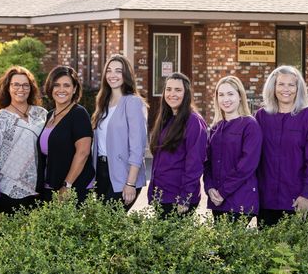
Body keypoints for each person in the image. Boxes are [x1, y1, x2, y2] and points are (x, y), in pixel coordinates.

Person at [254, 66, 308, 228]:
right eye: (281, 84)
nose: (286, 89)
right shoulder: (261, 117)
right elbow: (253, 157)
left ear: (298, 88)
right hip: (267, 200)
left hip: (298, 199)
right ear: (273, 87)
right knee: (267, 251)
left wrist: (307, 194)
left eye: (291, 85)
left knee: (299, 252)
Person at [92, 54, 149, 210]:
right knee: (105, 226)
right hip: (102, 172)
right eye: (109, 71)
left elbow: (137, 148)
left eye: (118, 71)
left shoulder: (133, 102)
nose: (112, 75)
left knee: (110, 222)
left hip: (124, 175)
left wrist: (130, 183)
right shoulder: (103, 101)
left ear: (127, 74)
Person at [147, 72, 208, 217]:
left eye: (178, 90)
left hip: (178, 198)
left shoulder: (193, 121)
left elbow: (195, 163)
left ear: (186, 93)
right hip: (162, 195)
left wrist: (185, 197)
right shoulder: (166, 118)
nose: (172, 94)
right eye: (168, 89)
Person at [204, 75, 261, 222]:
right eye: (221, 95)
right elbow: (208, 163)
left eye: (230, 94)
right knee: (220, 244)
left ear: (240, 96)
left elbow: (247, 165)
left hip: (240, 200)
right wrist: (209, 188)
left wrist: (223, 192)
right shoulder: (216, 127)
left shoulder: (250, 125)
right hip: (217, 200)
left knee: (231, 244)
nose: (225, 99)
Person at [0, 66, 47, 214]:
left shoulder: (41, 113)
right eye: (15, 84)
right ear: (8, 88)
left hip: (39, 187)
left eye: (25, 85)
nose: (20, 89)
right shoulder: (1, 118)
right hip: (9, 188)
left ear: (31, 88)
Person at [37, 66, 94, 203]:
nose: (61, 90)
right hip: (50, 186)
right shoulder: (50, 115)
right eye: (56, 85)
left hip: (72, 188)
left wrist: (67, 185)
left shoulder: (79, 114)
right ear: (51, 88)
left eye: (66, 85)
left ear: (74, 89)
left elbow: (83, 152)